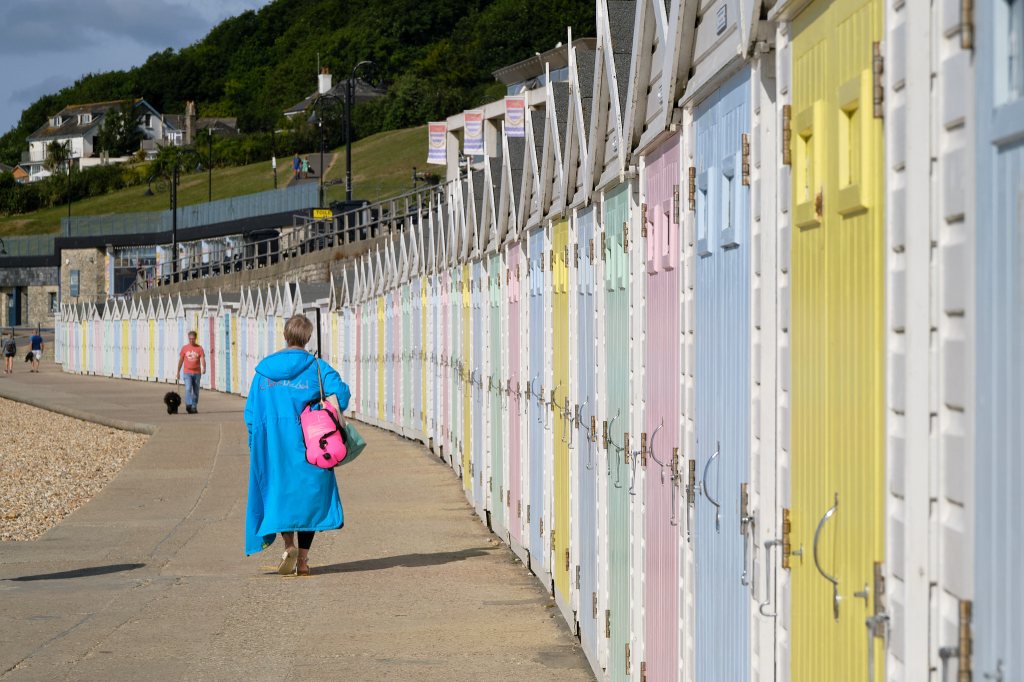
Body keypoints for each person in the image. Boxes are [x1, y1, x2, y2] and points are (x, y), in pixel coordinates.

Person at [244, 314, 351, 577]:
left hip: (272, 445)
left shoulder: (263, 372)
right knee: (309, 498)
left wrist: (255, 443)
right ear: (307, 338)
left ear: (285, 335)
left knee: (278, 494)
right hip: (310, 441)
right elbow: (342, 394)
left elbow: (250, 414)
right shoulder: (316, 368)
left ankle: (288, 545)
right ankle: (302, 561)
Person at [176, 330, 206, 414]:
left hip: (197, 373)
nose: (191, 340)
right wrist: (178, 371)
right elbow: (181, 360)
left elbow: (202, 358)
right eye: (190, 339)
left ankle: (194, 406)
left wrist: (204, 367)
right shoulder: (185, 348)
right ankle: (188, 404)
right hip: (187, 372)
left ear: (195, 338)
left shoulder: (199, 348)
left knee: (196, 391)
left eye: (193, 339)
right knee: (188, 388)